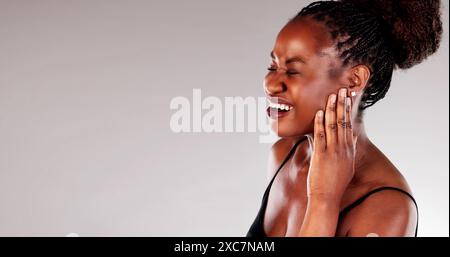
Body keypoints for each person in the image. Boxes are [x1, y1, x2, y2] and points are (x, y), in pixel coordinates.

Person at [247, 0, 443, 237]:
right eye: (272, 66)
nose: (270, 84)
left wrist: (323, 201)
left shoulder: (388, 207)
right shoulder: (284, 155)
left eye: (293, 71)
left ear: (354, 79)